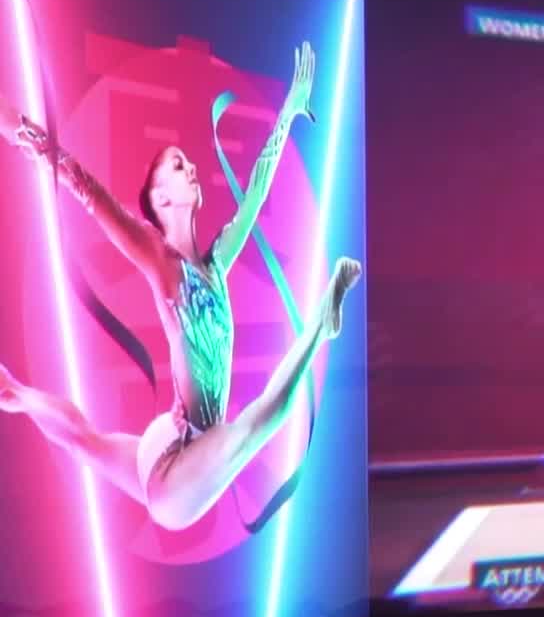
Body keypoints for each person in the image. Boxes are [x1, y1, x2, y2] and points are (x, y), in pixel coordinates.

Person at [0, 42, 363, 532]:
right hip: (176, 474)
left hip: (176, 443)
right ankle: (322, 326)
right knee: (253, 428)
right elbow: (85, 187)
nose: (192, 169)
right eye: (177, 166)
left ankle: (15, 393)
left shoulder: (216, 262)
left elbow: (256, 191)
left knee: (85, 439)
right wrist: (25, 134)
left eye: (187, 163)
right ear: (159, 198)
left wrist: (289, 112)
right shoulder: (159, 258)